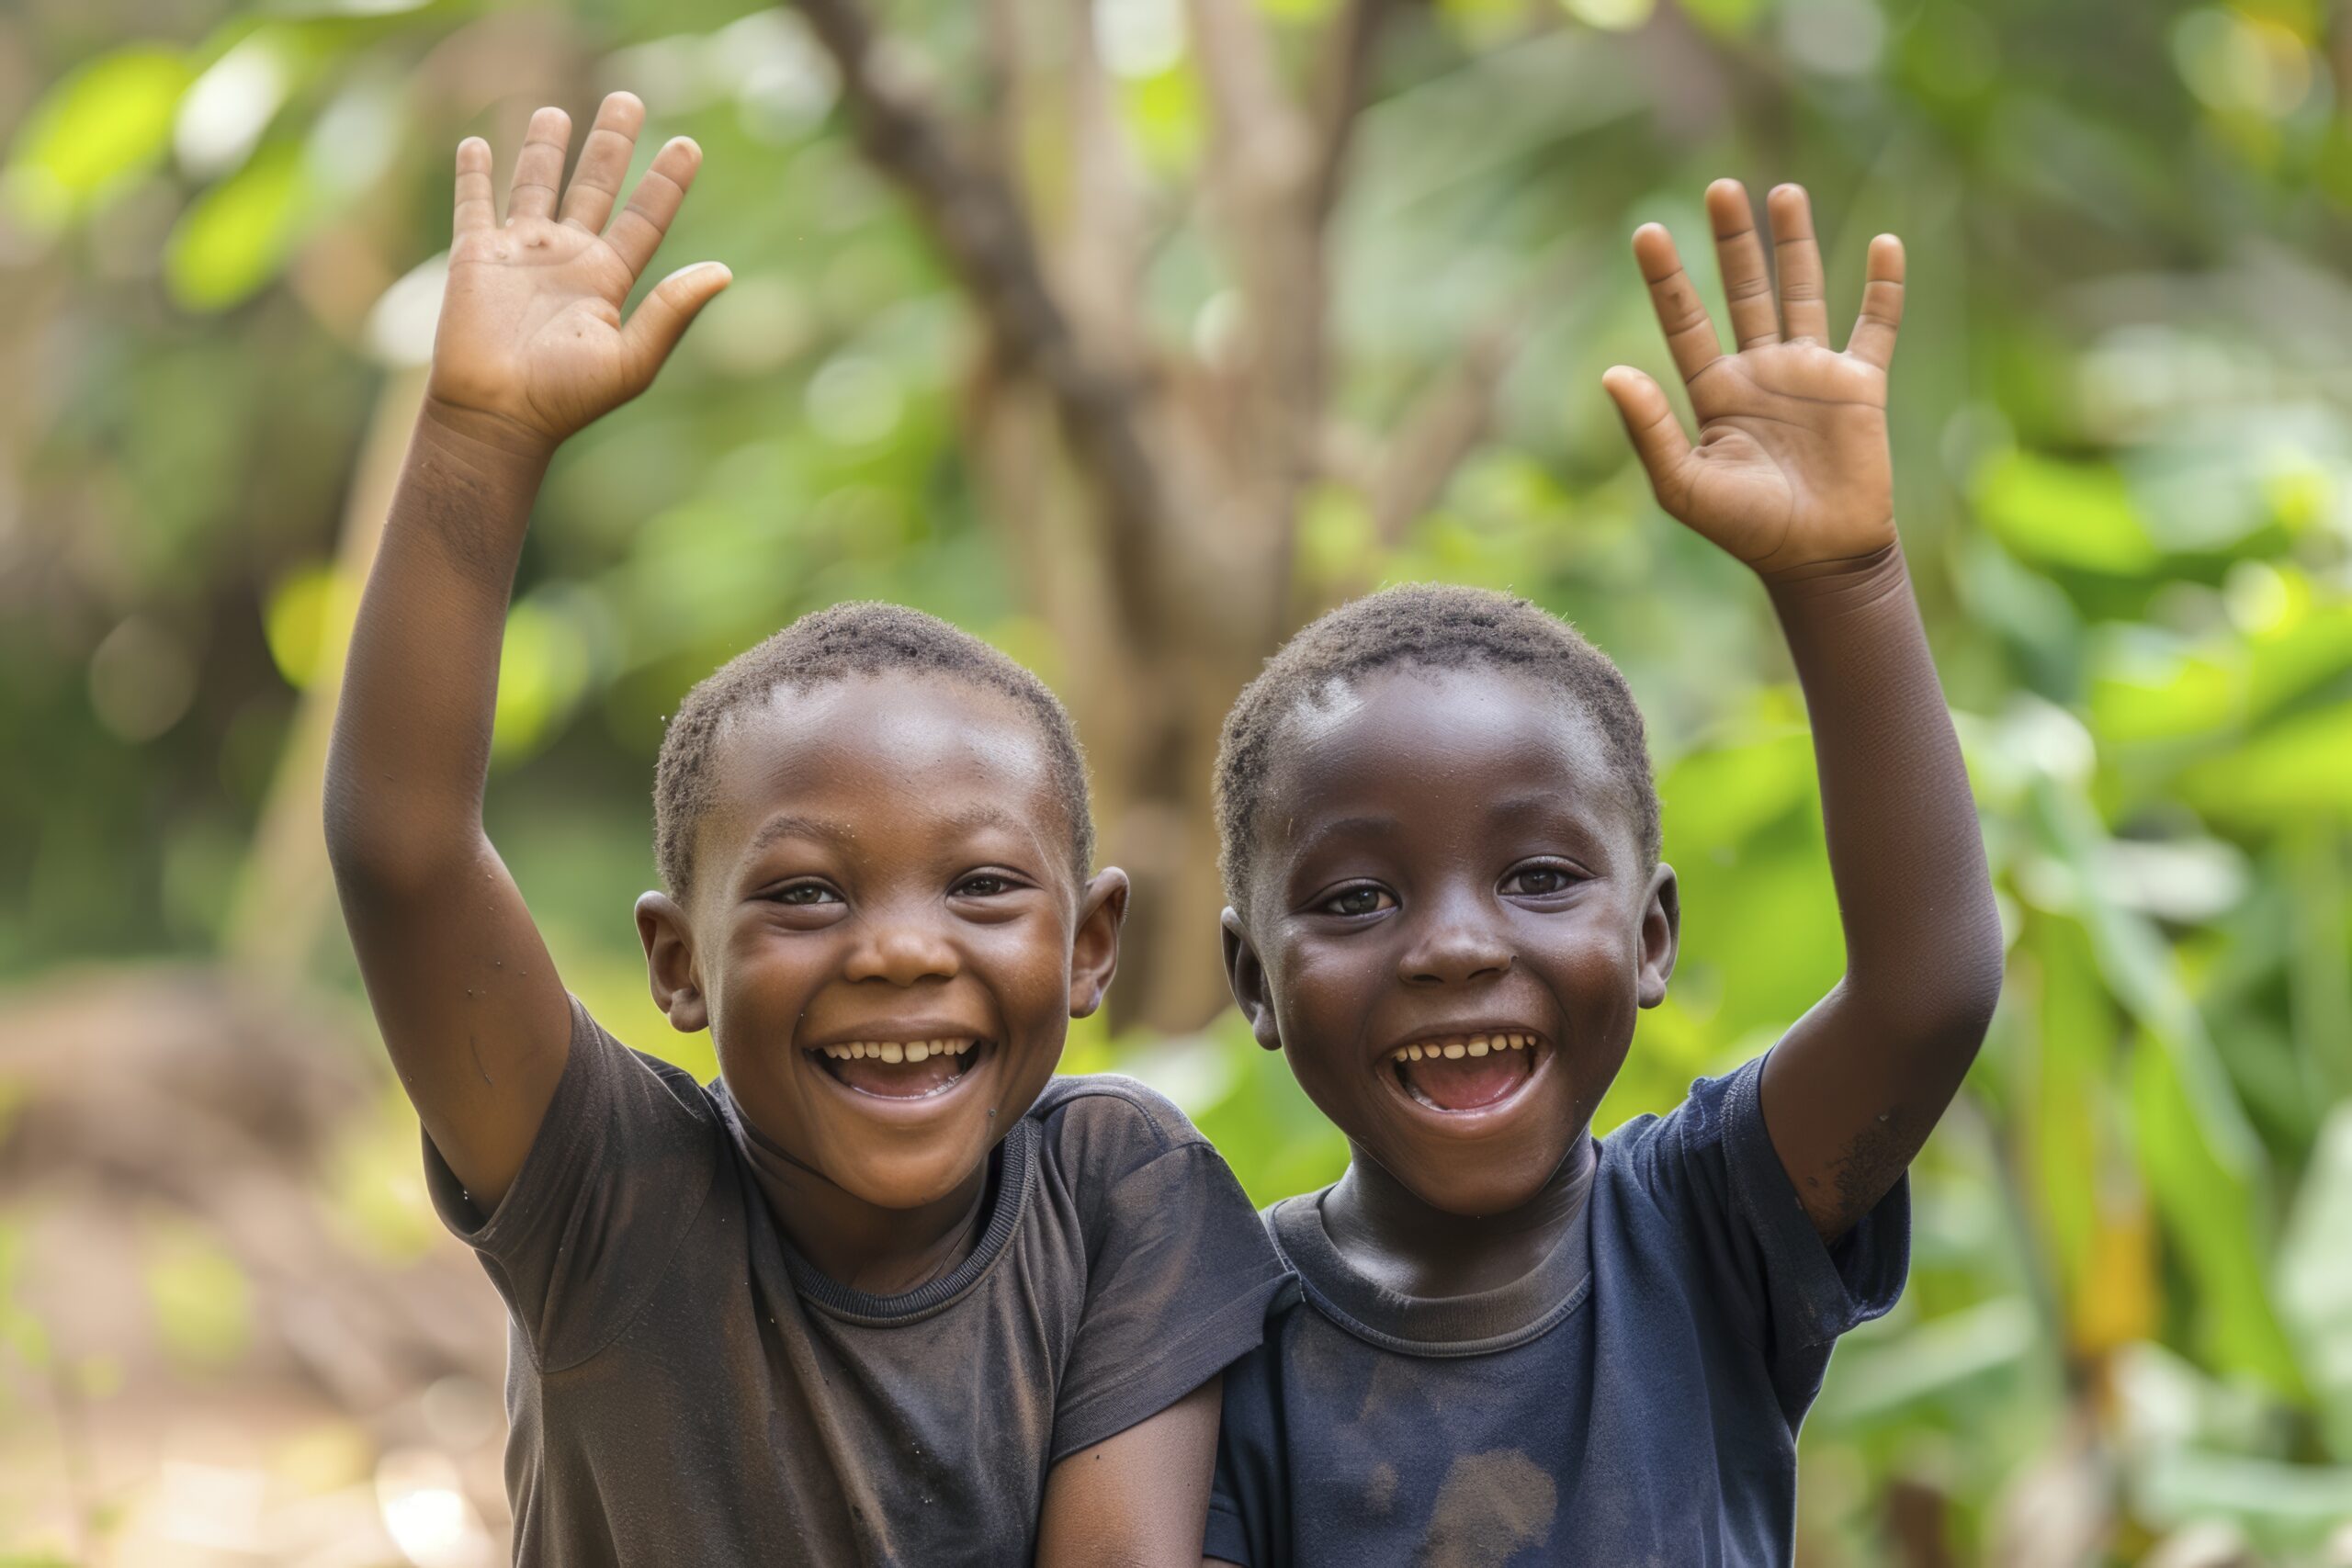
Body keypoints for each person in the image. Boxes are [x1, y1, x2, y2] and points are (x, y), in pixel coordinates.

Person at [322, 93, 1285, 1566]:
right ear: (678, 962)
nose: (899, 951)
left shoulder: (1119, 1192)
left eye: (981, 886)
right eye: (806, 897)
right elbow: (404, 856)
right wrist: (479, 437)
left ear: (1091, 944)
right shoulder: (608, 1192)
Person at [1201, 180, 2005, 1564]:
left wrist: (1847, 579)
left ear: (1651, 937)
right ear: (1252, 978)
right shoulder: (1216, 1341)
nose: (1456, 946)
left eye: (1537, 878)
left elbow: (1927, 995)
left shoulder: (1707, 1226)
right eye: (1357, 900)